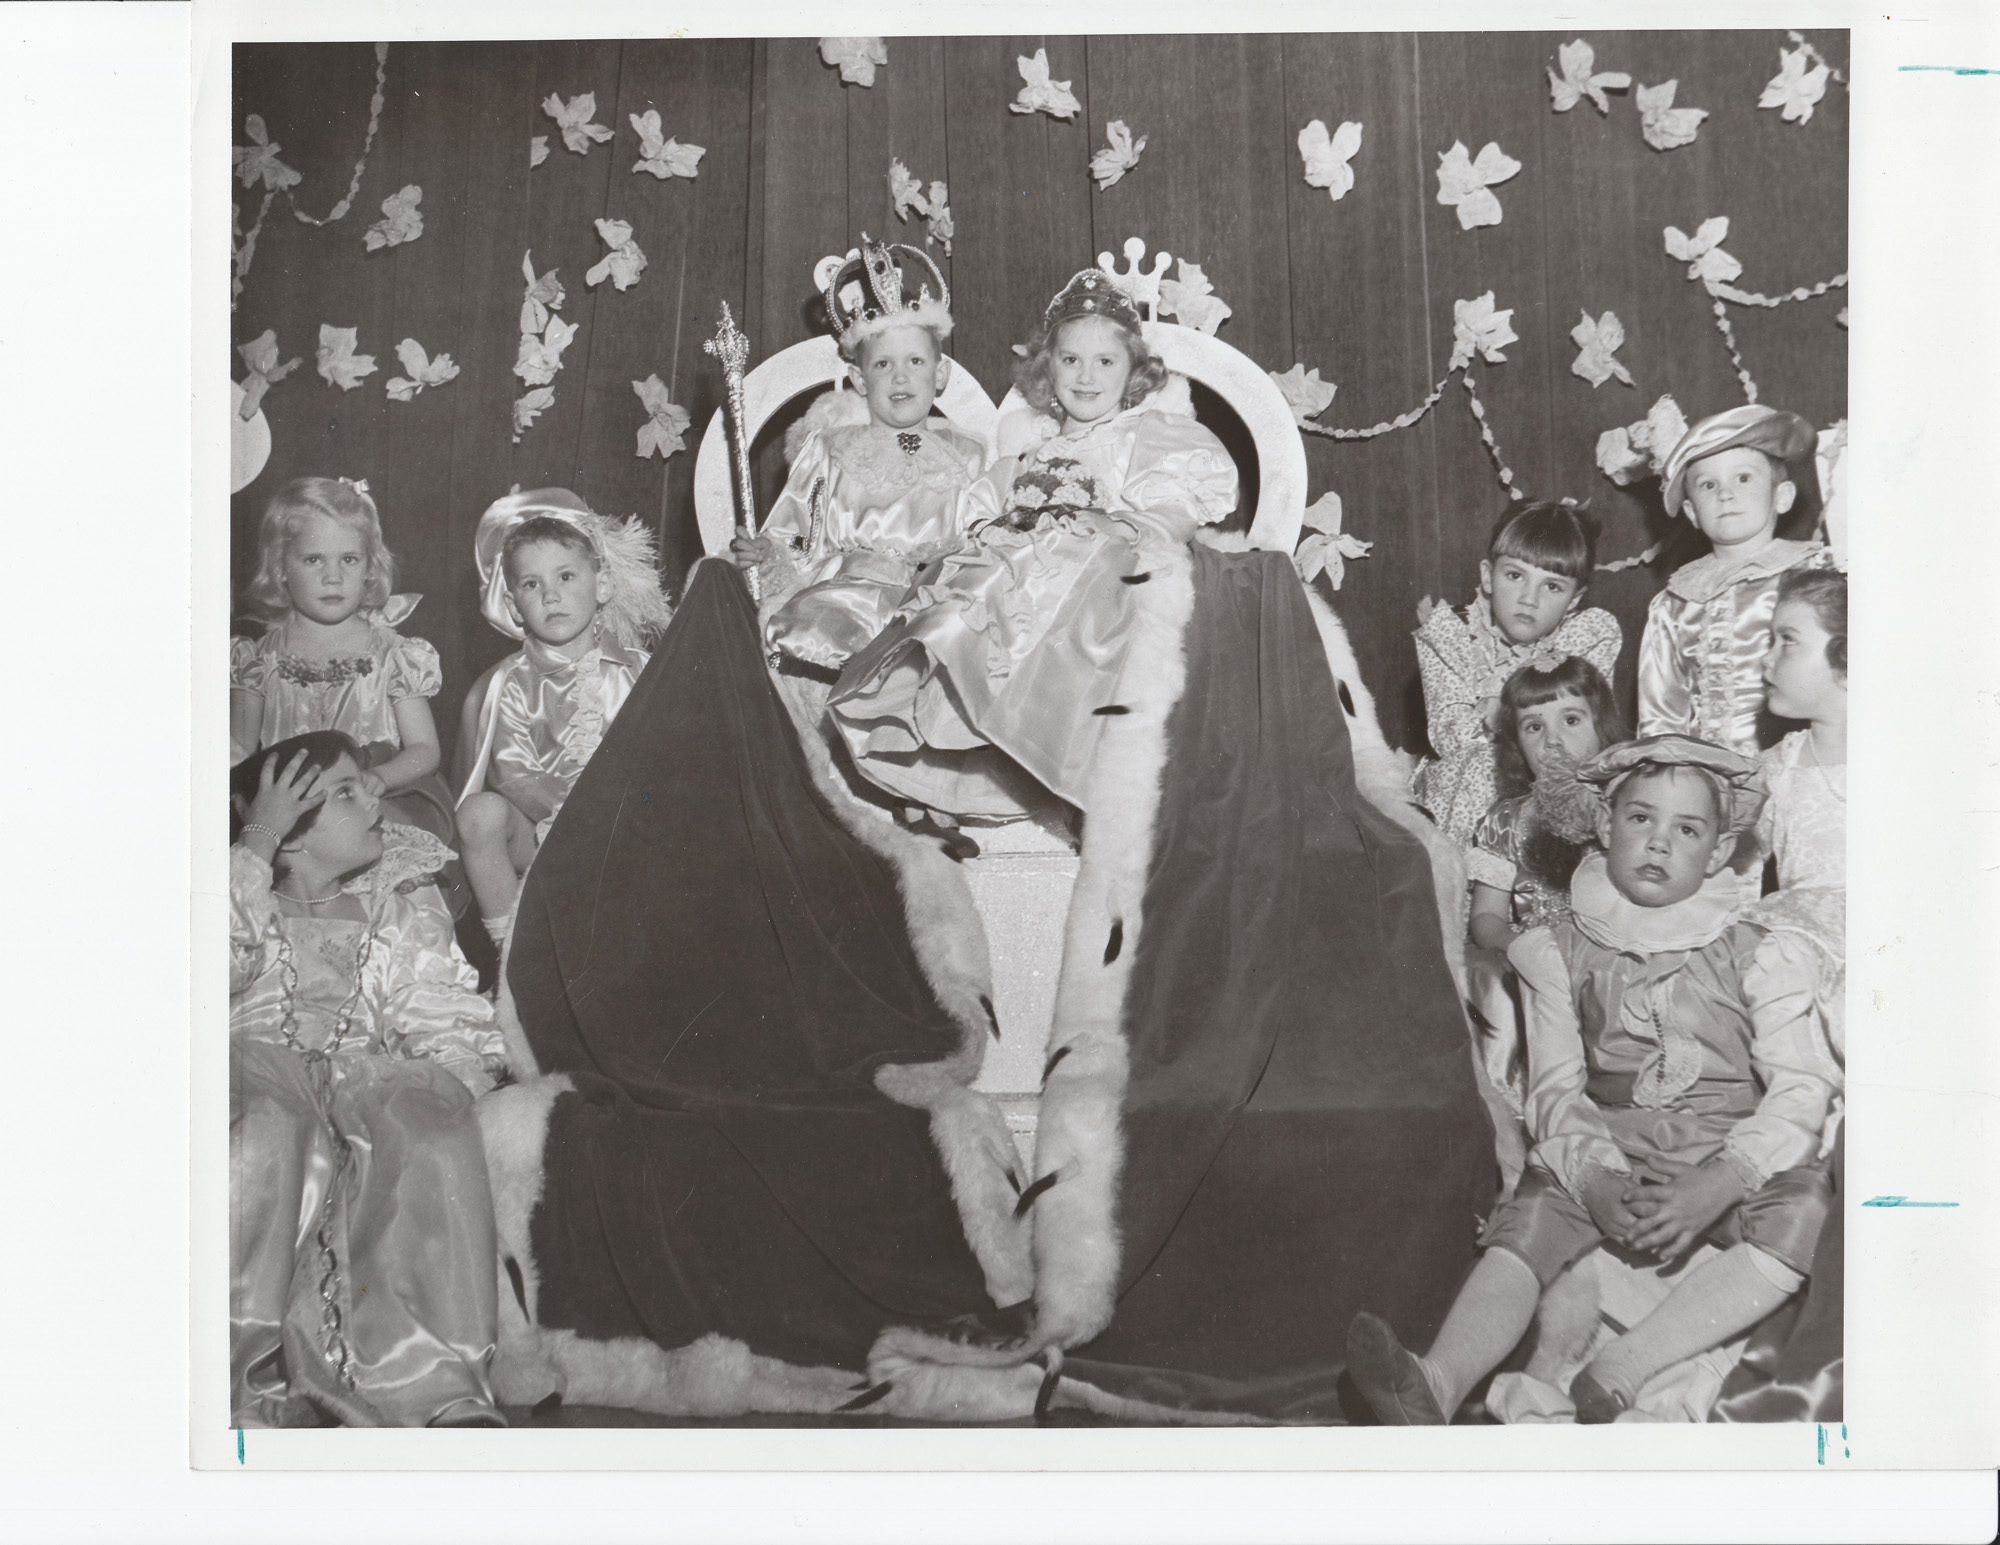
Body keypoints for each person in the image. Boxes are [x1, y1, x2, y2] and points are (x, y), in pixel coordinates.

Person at [1346, 736, 1836, 1424]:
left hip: (1719, 1161)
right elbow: (1553, 1089)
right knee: (1538, 1203)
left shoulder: (1761, 949)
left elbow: (1802, 1087)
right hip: (1616, 1155)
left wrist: (1725, 1179)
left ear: (1720, 852)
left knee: (1810, 1206)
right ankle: (1437, 1379)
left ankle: (1624, 1365)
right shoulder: (1557, 950)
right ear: (1606, 826)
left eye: (1687, 829)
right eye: (1641, 819)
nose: (1660, 843)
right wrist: (1597, 1176)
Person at [830, 265, 1238, 821]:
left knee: (1070, 587)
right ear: (1048, 368)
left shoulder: (1143, 437)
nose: (1086, 377)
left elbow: (1174, 511)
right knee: (962, 599)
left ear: (1133, 371)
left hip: (1099, 573)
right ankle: (962, 747)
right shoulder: (1027, 456)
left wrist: (1125, 527)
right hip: (1020, 570)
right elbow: (970, 518)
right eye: (1070, 360)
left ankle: (1058, 760)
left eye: (1105, 362)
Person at [230, 732, 508, 1427]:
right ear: (289, 838)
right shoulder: (236, 894)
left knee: (425, 1128)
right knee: (267, 1127)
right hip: (253, 1068)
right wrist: (254, 843)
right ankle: (238, 1375)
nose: (376, 794)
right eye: (347, 792)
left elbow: (435, 1002)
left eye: (367, 782)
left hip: (364, 1076)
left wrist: (452, 1078)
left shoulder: (396, 895)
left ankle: (430, 1380)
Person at [733, 237, 988, 676]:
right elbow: (794, 536)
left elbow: (986, 542)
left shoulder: (968, 453)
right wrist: (765, 554)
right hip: (843, 602)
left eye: (915, 362)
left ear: (940, 373)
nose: (901, 376)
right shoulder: (832, 449)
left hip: (935, 606)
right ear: (859, 378)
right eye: (883, 365)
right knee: (815, 635)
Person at [455, 488, 671, 953]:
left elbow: (666, 754)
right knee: (479, 814)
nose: (551, 595)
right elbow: (513, 775)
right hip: (543, 830)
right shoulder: (510, 682)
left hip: (632, 828)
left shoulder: (643, 669)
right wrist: (578, 816)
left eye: (567, 576)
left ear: (603, 585)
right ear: (514, 606)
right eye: (531, 585)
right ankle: (514, 953)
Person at [229, 476, 462, 896]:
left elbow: (425, 749)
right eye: (314, 560)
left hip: (372, 799)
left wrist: (380, 778)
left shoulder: (396, 653)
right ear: (281, 568)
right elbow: (239, 754)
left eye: (349, 560)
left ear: (370, 567)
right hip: (292, 810)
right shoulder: (256, 659)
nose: (332, 577)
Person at [1412, 501, 1622, 844]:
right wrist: (1515, 718)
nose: (1529, 599)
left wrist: (1500, 712)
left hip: (1555, 775)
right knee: (1482, 767)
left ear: (1573, 600)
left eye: (1552, 586)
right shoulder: (1450, 634)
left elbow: (1586, 736)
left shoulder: (1589, 634)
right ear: (1487, 576)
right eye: (1514, 575)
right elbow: (1451, 737)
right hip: (1467, 788)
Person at [1638, 405, 1836, 754]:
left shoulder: (1816, 572)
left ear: (1782, 496)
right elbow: (1661, 717)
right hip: (1705, 786)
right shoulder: (1674, 602)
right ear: (1691, 513)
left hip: (1800, 764)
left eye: (1743, 478)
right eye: (1708, 484)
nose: (1725, 494)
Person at [1466, 656, 1628, 953]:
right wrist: (1521, 948)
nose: (1553, 739)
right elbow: (1487, 916)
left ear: (1601, 728)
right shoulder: (1507, 820)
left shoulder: (1626, 808)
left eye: (1570, 720)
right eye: (1534, 727)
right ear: (1517, 743)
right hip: (1539, 955)